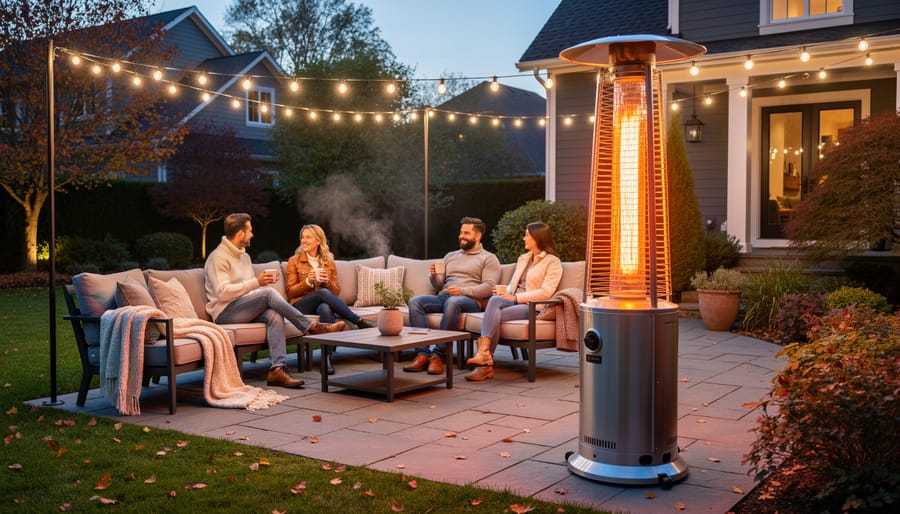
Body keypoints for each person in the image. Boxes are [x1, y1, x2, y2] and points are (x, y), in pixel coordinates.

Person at [205, 213, 345, 389]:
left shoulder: (244, 257)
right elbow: (222, 293)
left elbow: (250, 290)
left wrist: (260, 285)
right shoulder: (218, 258)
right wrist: (258, 283)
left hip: (244, 308)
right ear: (240, 234)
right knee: (269, 294)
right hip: (225, 313)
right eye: (250, 231)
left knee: (274, 314)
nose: (252, 234)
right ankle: (311, 326)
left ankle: (277, 370)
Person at [402, 217, 501, 375]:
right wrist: (435, 277)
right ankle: (423, 354)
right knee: (415, 301)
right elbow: (438, 285)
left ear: (478, 236)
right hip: (444, 297)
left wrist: (463, 291)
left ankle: (438, 355)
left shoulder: (488, 258)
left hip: (469, 301)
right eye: (461, 232)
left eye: (466, 233)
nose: (461, 236)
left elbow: (489, 287)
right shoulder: (450, 256)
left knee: (453, 302)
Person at [464, 222, 562, 381]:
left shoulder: (552, 262)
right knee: (495, 301)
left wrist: (515, 298)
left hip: (532, 307)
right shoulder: (523, 258)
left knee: (493, 315)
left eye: (527, 235)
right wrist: (504, 292)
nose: (524, 238)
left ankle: (484, 364)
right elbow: (513, 285)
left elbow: (546, 292)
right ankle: (484, 357)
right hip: (515, 301)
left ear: (537, 237)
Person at [285, 224, 373, 374]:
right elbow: (290, 291)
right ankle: (358, 321)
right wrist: (308, 281)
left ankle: (326, 358)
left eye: (308, 237)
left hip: (321, 304)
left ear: (318, 241)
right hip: (300, 305)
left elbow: (336, 291)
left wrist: (327, 282)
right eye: (302, 237)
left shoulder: (328, 262)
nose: (304, 240)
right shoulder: (294, 261)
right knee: (323, 293)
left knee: (325, 307)